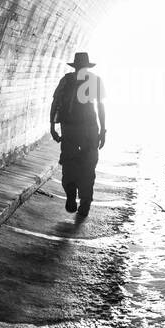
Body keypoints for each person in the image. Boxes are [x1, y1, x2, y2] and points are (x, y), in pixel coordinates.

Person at [50, 52, 106, 217]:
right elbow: (101, 107)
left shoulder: (66, 80)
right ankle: (85, 203)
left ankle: (70, 194)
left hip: (70, 130)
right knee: (88, 167)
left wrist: (52, 125)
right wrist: (103, 130)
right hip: (90, 130)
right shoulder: (95, 80)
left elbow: (55, 103)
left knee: (69, 164)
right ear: (87, 66)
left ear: (75, 66)